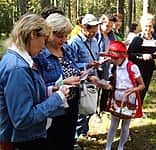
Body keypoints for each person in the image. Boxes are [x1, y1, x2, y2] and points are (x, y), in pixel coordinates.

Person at [0, 13, 70, 150]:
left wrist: (49, 92)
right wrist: (57, 98)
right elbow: (22, 118)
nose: (44, 47)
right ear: (33, 34)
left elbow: (24, 95)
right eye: (44, 40)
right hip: (22, 141)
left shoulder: (18, 60)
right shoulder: (18, 68)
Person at [34, 13, 81, 150]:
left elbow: (74, 67)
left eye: (66, 35)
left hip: (72, 102)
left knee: (68, 138)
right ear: (49, 33)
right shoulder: (40, 54)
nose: (63, 39)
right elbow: (37, 87)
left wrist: (84, 72)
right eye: (59, 36)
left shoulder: (66, 48)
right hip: (53, 107)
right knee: (53, 140)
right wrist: (63, 82)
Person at [104, 41, 144, 150]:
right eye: (111, 58)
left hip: (130, 98)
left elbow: (142, 85)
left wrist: (132, 90)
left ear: (122, 57)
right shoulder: (113, 67)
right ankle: (108, 147)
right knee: (113, 124)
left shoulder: (132, 67)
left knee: (125, 125)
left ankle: (120, 147)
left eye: (115, 58)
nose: (113, 60)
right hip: (117, 96)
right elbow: (112, 82)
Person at [68, 14, 101, 140]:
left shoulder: (94, 41)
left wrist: (98, 63)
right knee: (80, 110)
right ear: (84, 28)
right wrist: (87, 65)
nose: (93, 35)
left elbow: (96, 56)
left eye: (95, 32)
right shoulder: (74, 43)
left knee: (90, 107)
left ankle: (83, 132)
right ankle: (75, 137)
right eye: (91, 32)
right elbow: (70, 64)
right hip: (80, 81)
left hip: (93, 79)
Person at [128, 13, 156, 106]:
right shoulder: (137, 39)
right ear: (142, 26)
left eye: (150, 26)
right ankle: (131, 107)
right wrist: (142, 56)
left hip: (149, 68)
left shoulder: (155, 38)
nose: (148, 29)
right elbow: (129, 54)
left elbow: (155, 52)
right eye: (146, 26)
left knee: (144, 88)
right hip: (137, 69)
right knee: (136, 88)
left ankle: (139, 108)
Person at [95, 14, 116, 115]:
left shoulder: (112, 35)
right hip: (97, 65)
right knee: (96, 87)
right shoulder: (96, 34)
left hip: (108, 65)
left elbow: (114, 48)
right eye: (107, 26)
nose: (109, 28)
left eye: (111, 26)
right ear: (101, 23)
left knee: (106, 87)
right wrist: (101, 57)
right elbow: (94, 50)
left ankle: (103, 109)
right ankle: (94, 111)